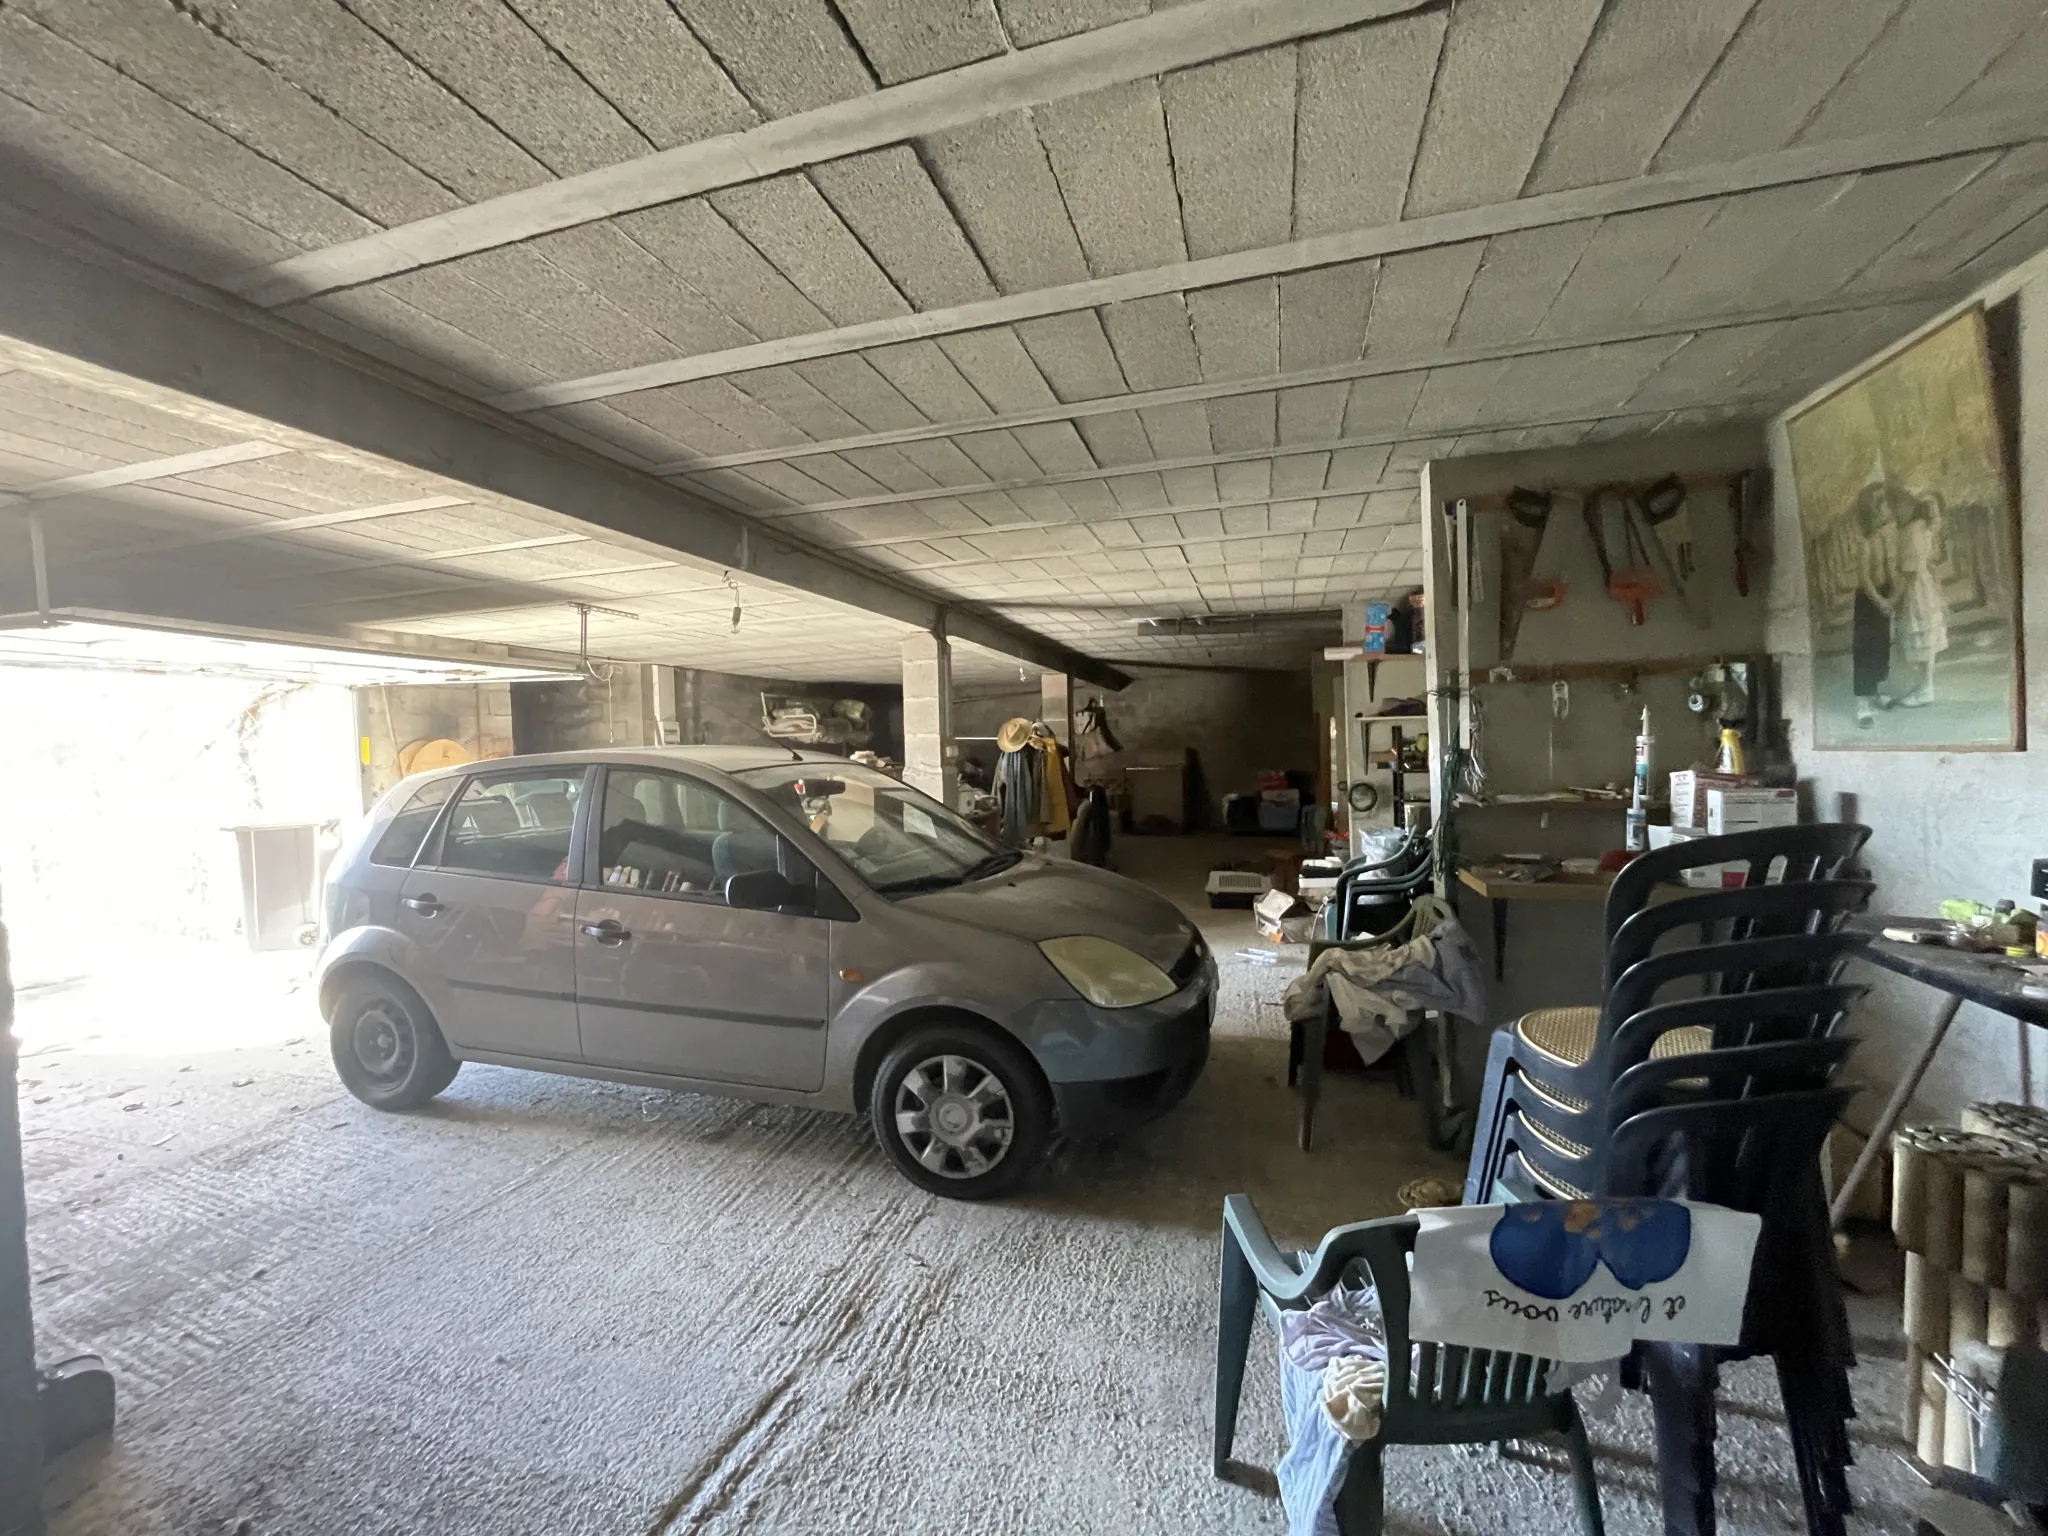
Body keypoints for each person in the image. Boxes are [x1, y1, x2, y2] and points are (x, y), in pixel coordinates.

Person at [1891, 491, 1948, 708]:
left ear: (1910, 507)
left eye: (1899, 507)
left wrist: (1893, 599)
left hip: (1916, 589)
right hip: (1925, 586)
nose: (1896, 512)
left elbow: (1910, 571)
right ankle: (1925, 684)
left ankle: (1926, 688)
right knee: (1926, 638)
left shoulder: (1912, 531)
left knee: (1922, 636)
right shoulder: (1922, 526)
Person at [1848, 481, 1897, 729]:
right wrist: (1880, 602)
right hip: (1868, 602)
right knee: (1865, 650)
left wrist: (1894, 597)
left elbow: (1889, 569)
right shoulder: (1863, 543)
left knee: (1881, 648)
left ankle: (1876, 691)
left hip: (1884, 596)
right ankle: (1862, 702)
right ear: (1872, 510)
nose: (1887, 508)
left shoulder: (1883, 539)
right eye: (1881, 504)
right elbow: (1865, 579)